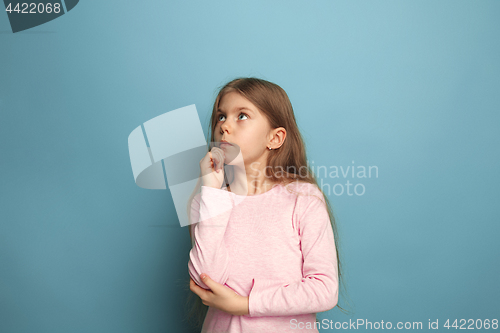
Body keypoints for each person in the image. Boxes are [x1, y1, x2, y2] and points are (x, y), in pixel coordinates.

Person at [184, 77, 346, 333]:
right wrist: (212, 192)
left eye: (242, 116)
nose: (225, 126)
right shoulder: (208, 199)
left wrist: (246, 305)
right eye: (221, 117)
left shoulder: (304, 198)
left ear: (275, 138)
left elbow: (325, 290)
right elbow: (206, 281)